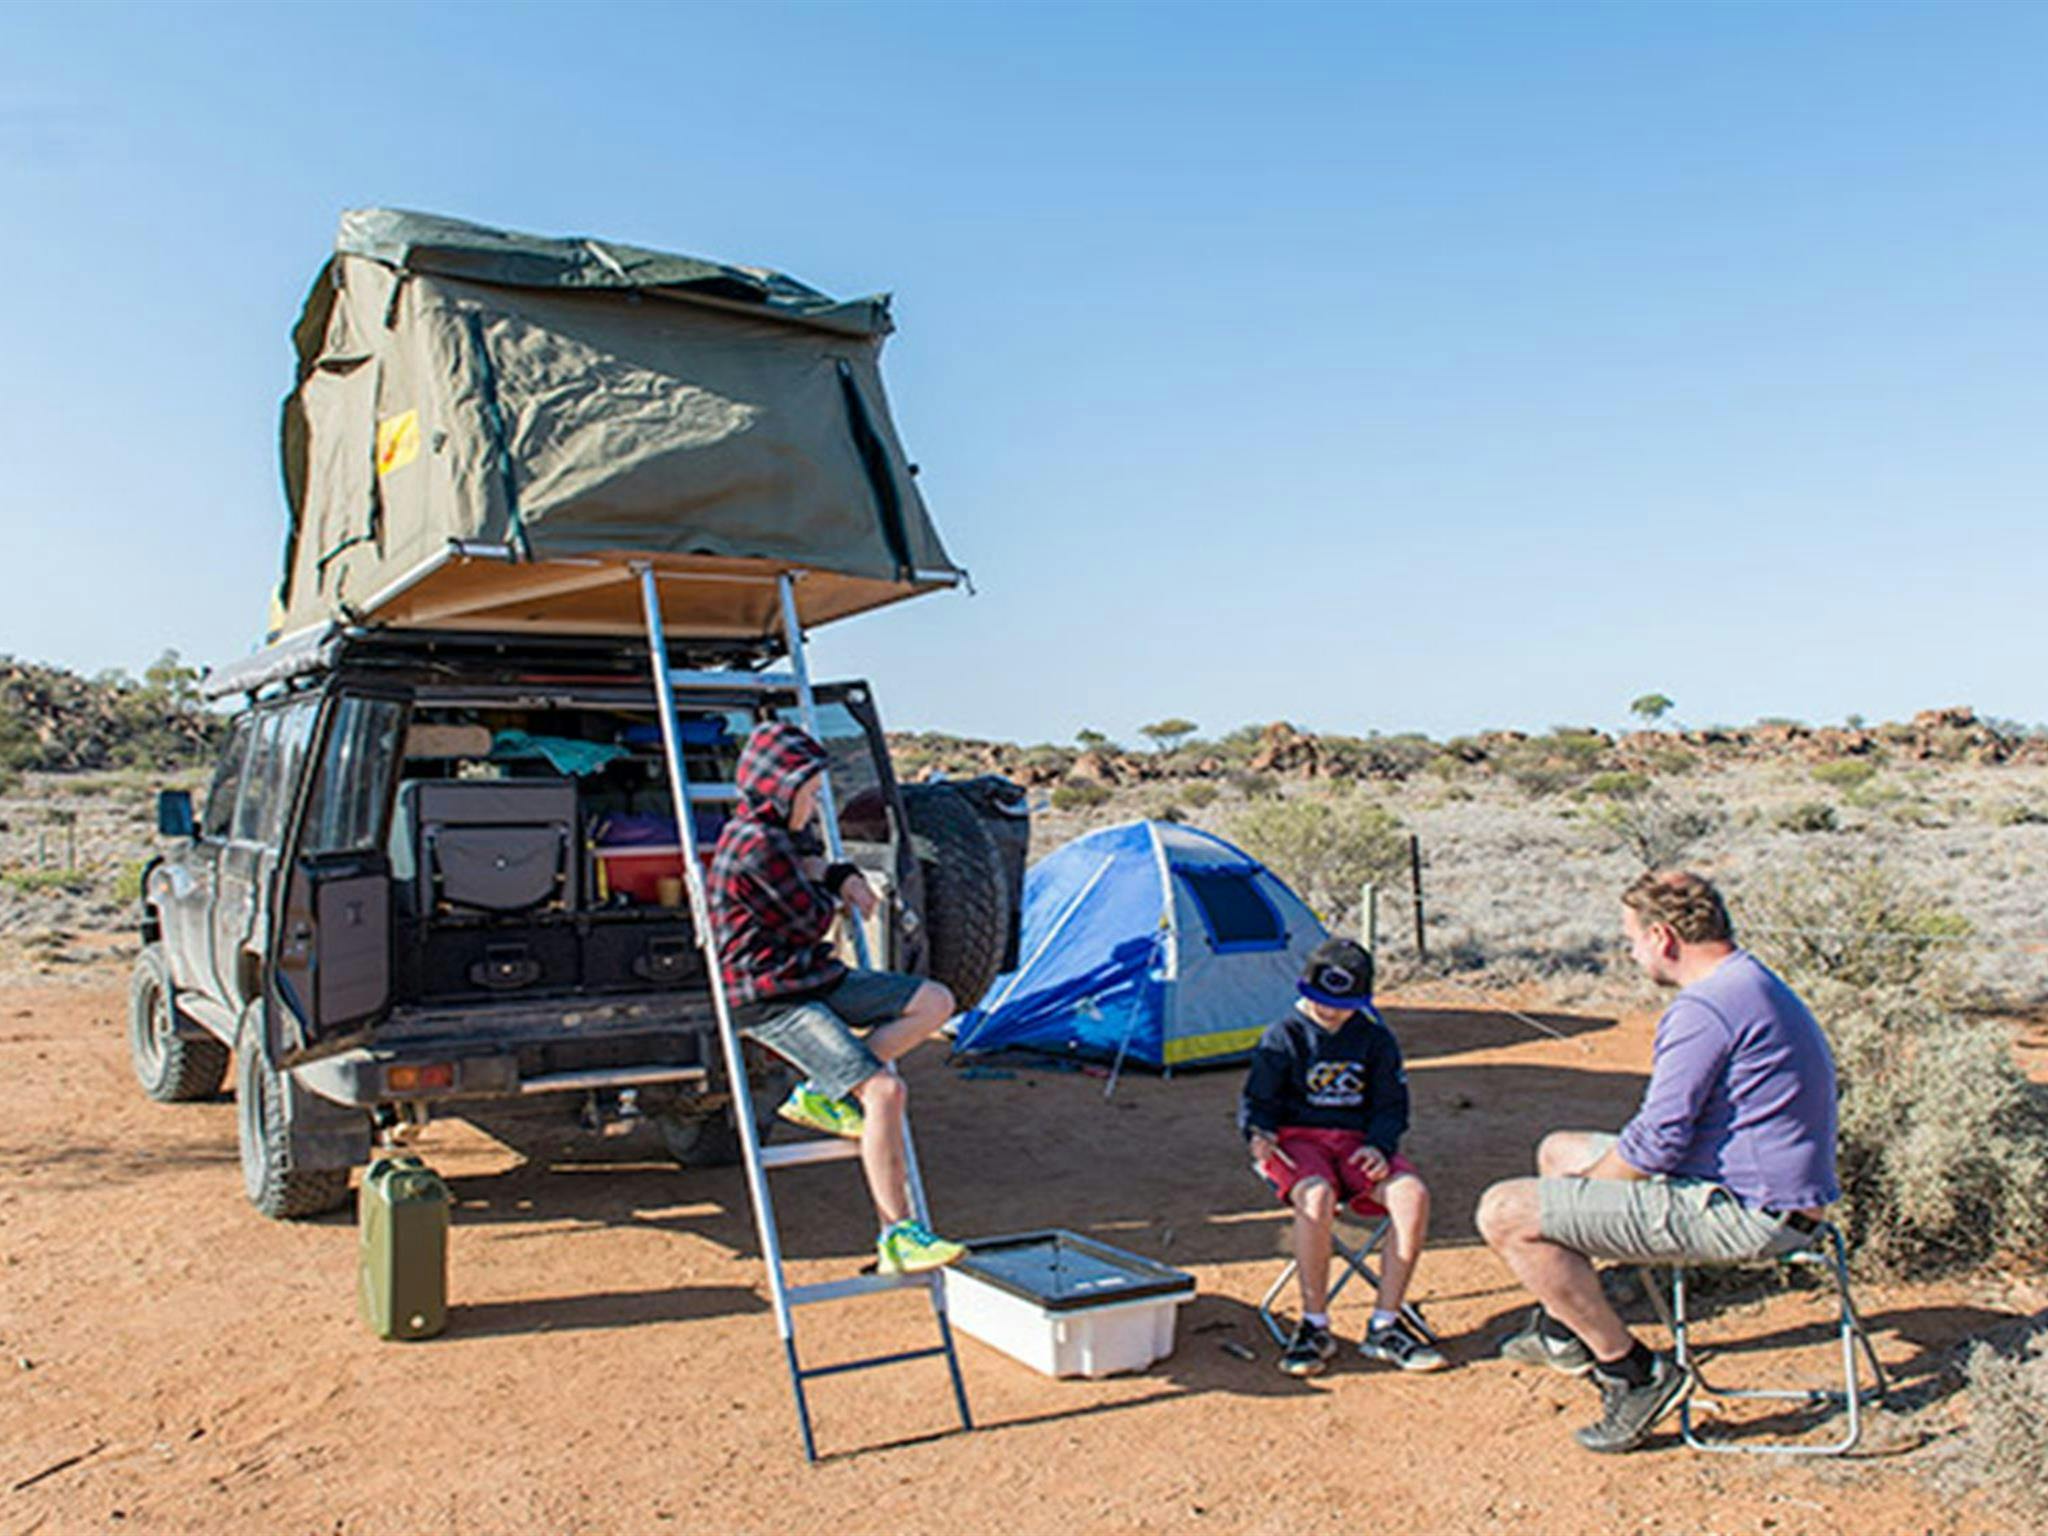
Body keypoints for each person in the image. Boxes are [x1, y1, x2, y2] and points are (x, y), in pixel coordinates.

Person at [1476, 869, 1839, 1453]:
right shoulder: (1749, 979)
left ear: (1664, 936)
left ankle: (1634, 1374)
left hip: (1748, 1212)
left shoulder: (1706, 1009)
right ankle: (1563, 1330)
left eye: (1633, 938)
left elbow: (1658, 1141)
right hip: (1767, 1192)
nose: (1630, 951)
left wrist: (1587, 1191)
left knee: (1506, 1213)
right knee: (1557, 1150)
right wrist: (1581, 1184)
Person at [708, 719, 964, 1275]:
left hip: (806, 976)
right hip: (770, 995)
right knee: (884, 1091)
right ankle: (899, 1234)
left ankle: (821, 1088)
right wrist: (834, 887)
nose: (816, 801)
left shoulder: (777, 832)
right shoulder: (755, 846)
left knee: (934, 1002)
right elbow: (810, 919)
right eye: (810, 791)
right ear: (780, 788)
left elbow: (815, 866)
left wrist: (838, 873)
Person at [1240, 937, 1446, 1377]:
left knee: (1411, 1195)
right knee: (1314, 1197)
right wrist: (1259, 1133)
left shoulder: (1375, 1039)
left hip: (1357, 1143)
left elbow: (1391, 1106)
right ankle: (1314, 1324)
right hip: (1298, 1142)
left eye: (1344, 1003)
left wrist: (1379, 1144)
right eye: (1321, 1001)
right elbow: (1258, 1101)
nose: (1331, 1012)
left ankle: (1385, 1324)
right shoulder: (1285, 1035)